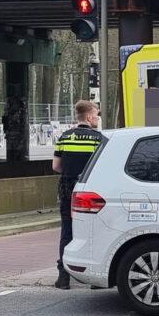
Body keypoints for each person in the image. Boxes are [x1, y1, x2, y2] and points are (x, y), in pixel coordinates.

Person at [51, 99, 105, 290]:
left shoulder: (65, 137)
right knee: (92, 231)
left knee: (67, 230)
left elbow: (56, 166)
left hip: (67, 189)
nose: (98, 118)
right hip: (91, 190)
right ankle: (94, 279)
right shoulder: (99, 139)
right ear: (89, 116)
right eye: (97, 114)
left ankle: (63, 277)